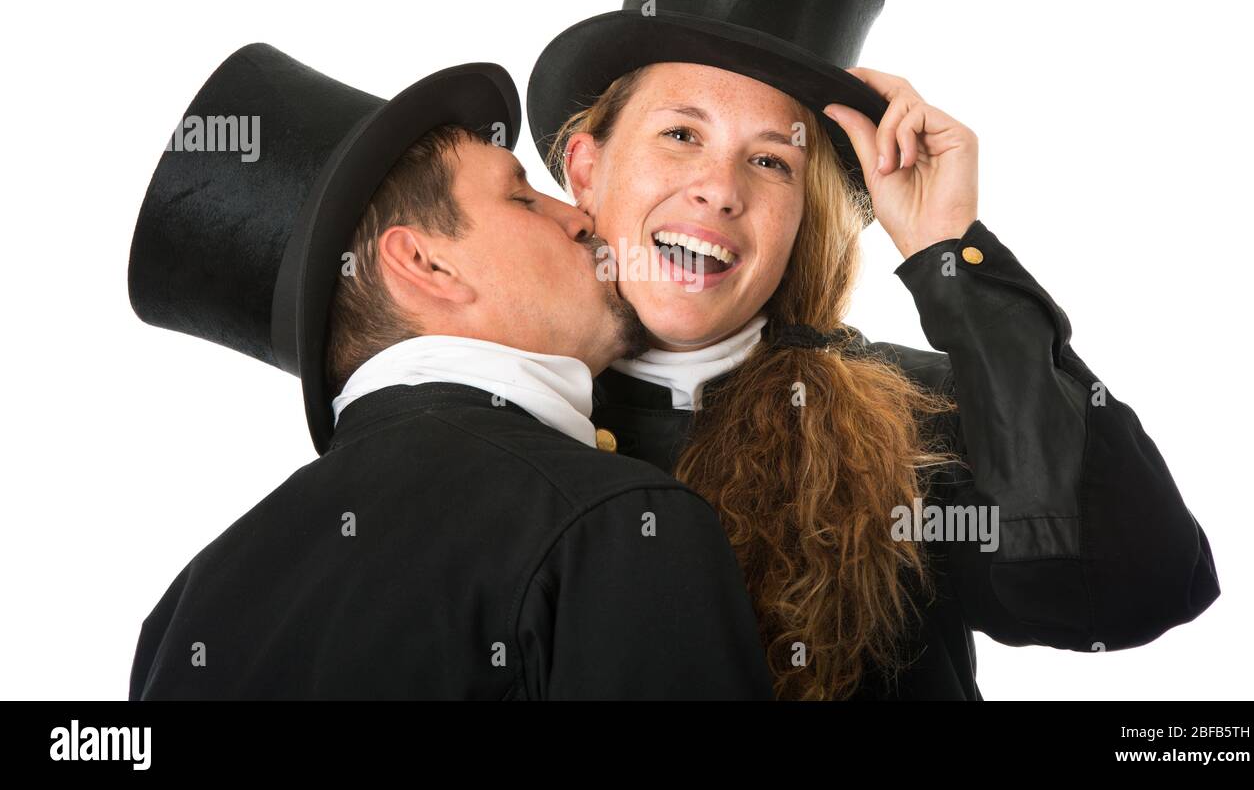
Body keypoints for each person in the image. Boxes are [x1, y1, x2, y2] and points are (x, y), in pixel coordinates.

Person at [525, 0, 1221, 700]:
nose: (719, 190)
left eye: (771, 160)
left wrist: (947, 252)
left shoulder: (907, 417)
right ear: (585, 167)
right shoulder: (511, 426)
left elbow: (1137, 582)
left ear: (801, 211)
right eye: (681, 134)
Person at [125, 42, 773, 699]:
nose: (579, 218)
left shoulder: (186, 607)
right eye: (521, 197)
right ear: (425, 264)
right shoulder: (617, 527)